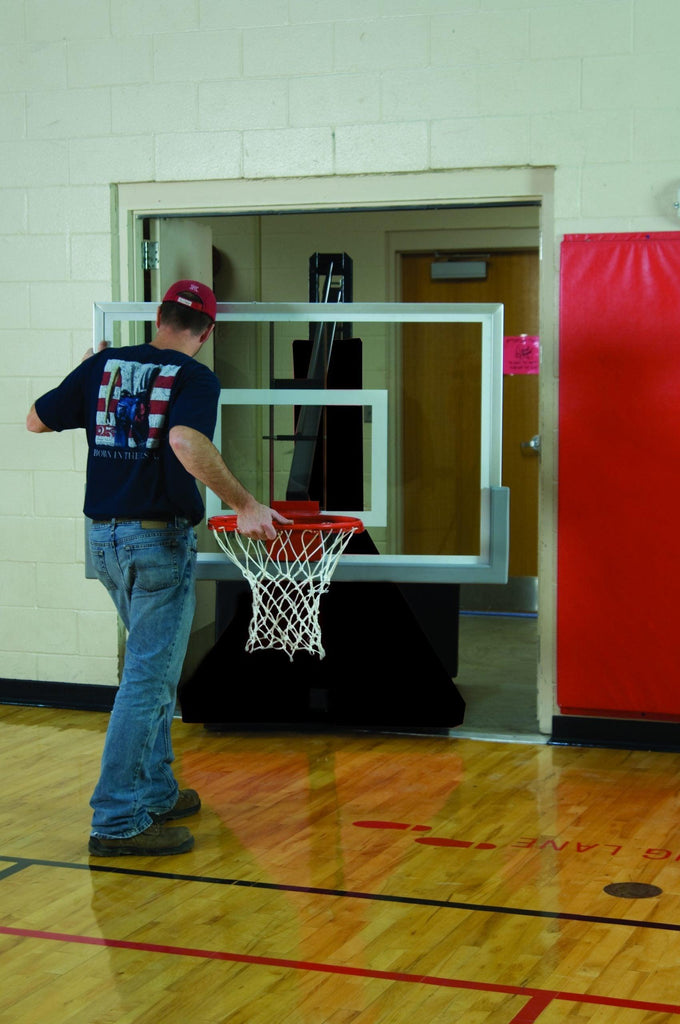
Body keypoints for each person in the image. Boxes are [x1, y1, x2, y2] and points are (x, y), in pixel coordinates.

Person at [27, 280, 290, 857]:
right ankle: (117, 820)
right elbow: (186, 442)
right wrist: (246, 504)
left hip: (104, 540)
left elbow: (35, 421)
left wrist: (89, 373)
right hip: (156, 541)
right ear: (207, 331)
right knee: (148, 679)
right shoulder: (195, 377)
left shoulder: (103, 366)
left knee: (154, 669)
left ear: (159, 317)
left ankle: (155, 790)